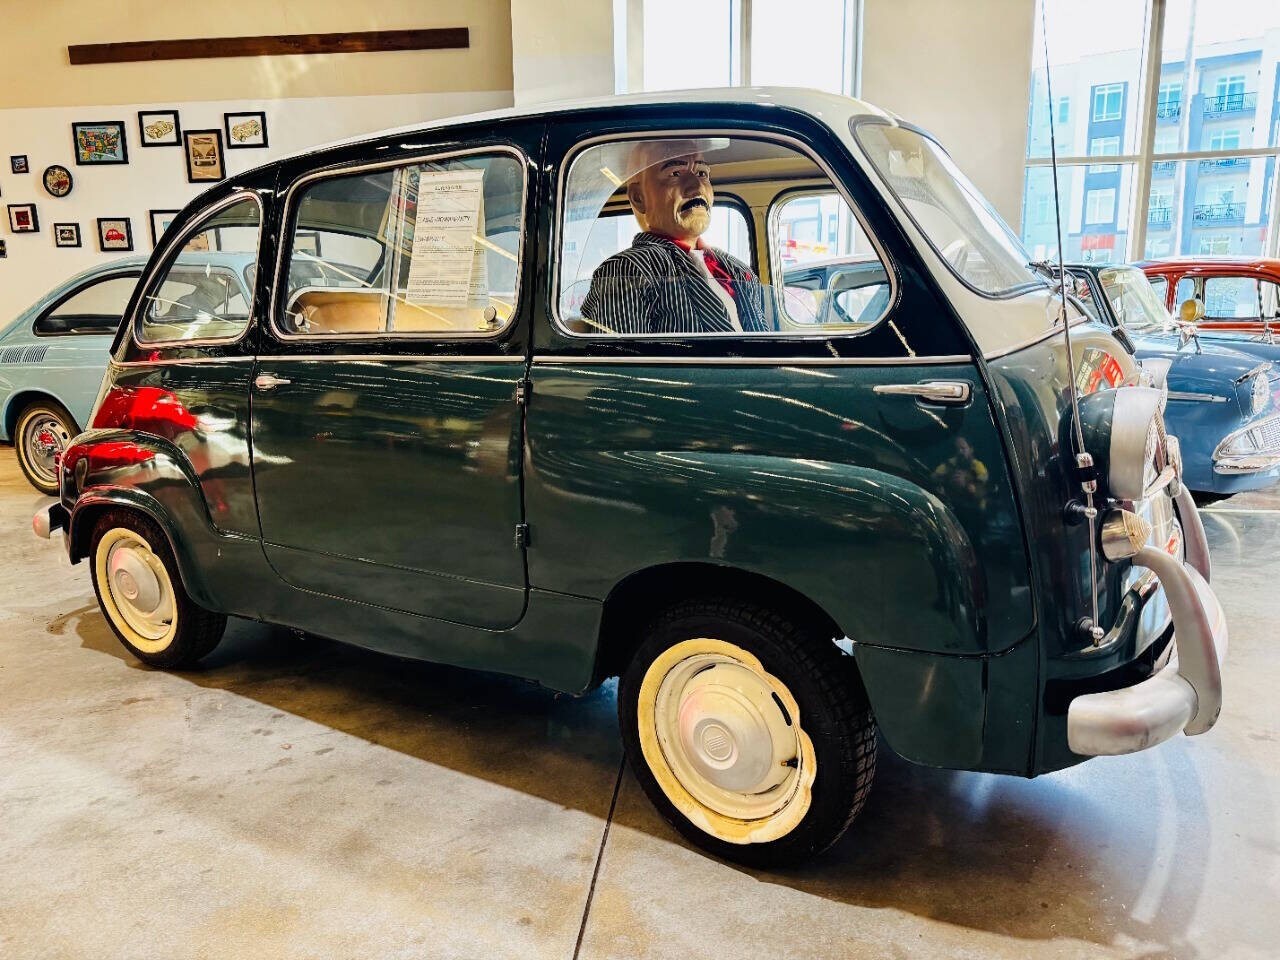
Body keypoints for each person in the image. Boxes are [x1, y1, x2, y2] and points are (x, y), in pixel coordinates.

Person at [581, 140, 769, 335]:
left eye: (702, 174)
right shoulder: (628, 270)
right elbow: (622, 353)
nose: (697, 187)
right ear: (638, 197)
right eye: (675, 173)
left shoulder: (738, 270)